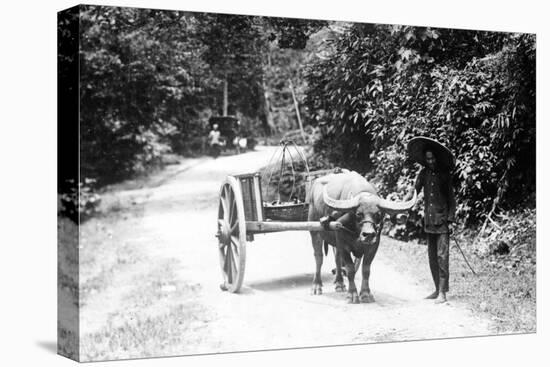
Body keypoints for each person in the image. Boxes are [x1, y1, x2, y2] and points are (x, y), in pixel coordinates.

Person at [413, 148, 456, 304]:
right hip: (429, 221)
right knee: (432, 258)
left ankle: (443, 293)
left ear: (436, 158)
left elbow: (451, 199)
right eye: (428, 159)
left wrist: (451, 220)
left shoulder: (445, 174)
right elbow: (414, 192)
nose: (430, 161)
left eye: (432, 158)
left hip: (443, 222)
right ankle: (437, 289)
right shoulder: (423, 174)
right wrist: (403, 205)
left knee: (442, 257)